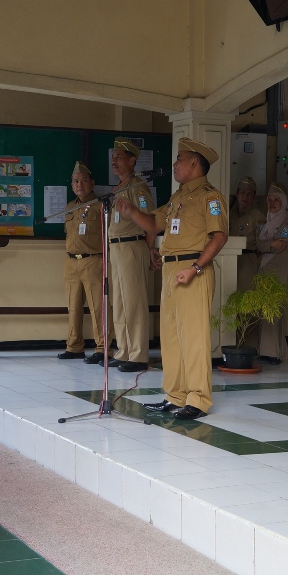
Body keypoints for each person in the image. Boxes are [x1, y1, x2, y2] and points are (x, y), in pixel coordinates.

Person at [114, 137, 228, 419]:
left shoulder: (210, 197)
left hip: (193, 270)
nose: (175, 164)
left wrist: (197, 268)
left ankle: (198, 399)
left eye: (179, 159)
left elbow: (219, 236)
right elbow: (154, 223)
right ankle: (175, 396)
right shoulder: (177, 197)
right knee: (172, 337)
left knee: (194, 337)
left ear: (194, 163)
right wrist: (132, 212)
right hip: (170, 270)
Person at [106, 138, 154, 373]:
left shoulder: (138, 188)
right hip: (116, 249)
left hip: (132, 247)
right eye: (113, 157)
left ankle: (138, 354)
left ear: (132, 160)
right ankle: (123, 350)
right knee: (120, 303)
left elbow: (151, 224)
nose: (114, 161)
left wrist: (146, 249)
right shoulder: (119, 188)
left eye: (119, 157)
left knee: (134, 302)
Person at [57, 161, 110, 364]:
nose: (80, 184)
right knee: (73, 306)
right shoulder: (70, 207)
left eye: (84, 181)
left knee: (98, 307)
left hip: (93, 260)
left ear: (92, 183)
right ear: (71, 185)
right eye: (76, 181)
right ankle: (74, 346)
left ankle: (102, 347)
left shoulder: (100, 206)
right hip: (71, 262)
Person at [255, 183, 288, 365]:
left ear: (284, 202)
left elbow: (280, 245)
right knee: (264, 310)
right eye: (269, 200)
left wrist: (267, 245)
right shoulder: (266, 222)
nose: (272, 204)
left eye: (276, 200)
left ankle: (272, 352)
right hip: (265, 269)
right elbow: (258, 245)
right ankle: (268, 350)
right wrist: (268, 245)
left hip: (278, 269)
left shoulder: (287, 222)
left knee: (274, 310)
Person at [229, 176, 265, 347]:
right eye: (242, 193)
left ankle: (249, 345)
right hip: (229, 260)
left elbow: (263, 241)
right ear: (237, 194)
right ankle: (231, 342)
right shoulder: (229, 213)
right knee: (230, 300)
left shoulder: (257, 215)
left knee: (247, 303)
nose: (245, 197)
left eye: (249, 194)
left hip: (248, 260)